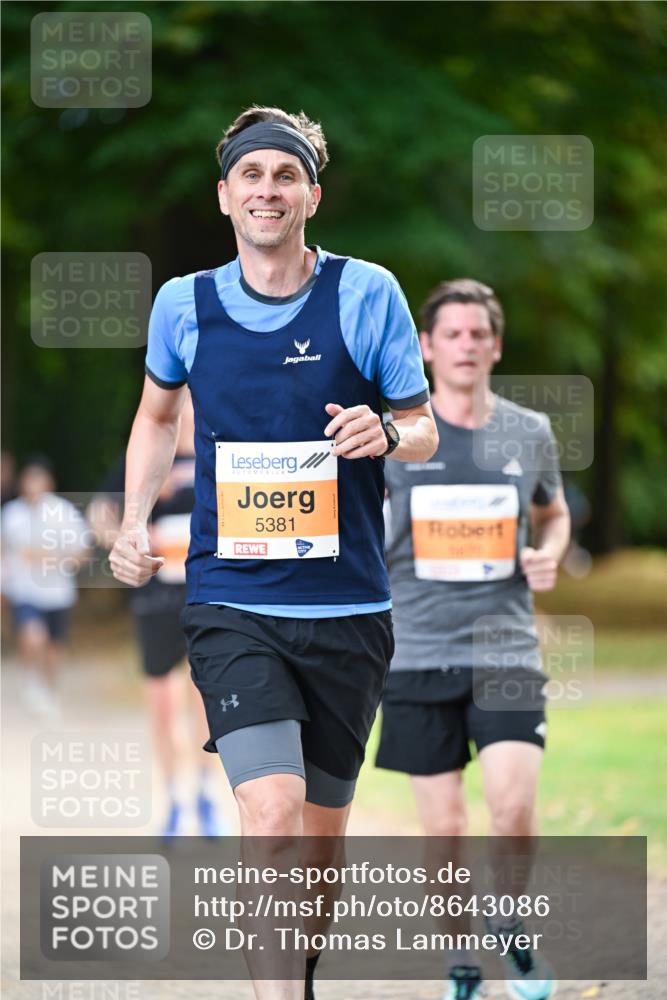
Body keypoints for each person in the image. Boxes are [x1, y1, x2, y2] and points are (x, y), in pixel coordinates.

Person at [109, 105, 438, 999]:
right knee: (272, 813)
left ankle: (299, 971)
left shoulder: (366, 293)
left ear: (311, 195)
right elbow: (154, 415)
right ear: (224, 196)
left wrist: (387, 428)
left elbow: (425, 430)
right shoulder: (186, 304)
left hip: (348, 609)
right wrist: (136, 519)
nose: (267, 190)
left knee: (320, 847)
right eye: (250, 176)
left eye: (284, 176)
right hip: (231, 603)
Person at [376, 279, 570, 1000]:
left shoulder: (527, 432)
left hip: (504, 647)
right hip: (416, 652)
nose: (464, 346)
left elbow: (551, 514)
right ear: (425, 347)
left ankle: (511, 922)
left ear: (495, 345)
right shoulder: (394, 440)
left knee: (512, 805)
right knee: (447, 827)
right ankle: (459, 960)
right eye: (450, 334)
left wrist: (548, 550)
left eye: (476, 334)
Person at [88, 394, 228, 838]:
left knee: (206, 704)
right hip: (156, 602)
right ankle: (172, 802)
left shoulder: (218, 448)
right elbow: (99, 514)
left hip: (208, 597)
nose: (186, 408)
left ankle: (206, 798)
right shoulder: (147, 455)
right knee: (163, 708)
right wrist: (126, 537)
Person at [2, 456, 88, 718]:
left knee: (54, 648)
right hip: (25, 591)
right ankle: (32, 682)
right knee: (33, 636)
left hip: (58, 592)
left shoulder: (64, 512)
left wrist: (51, 558)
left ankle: (49, 692)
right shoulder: (11, 514)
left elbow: (81, 552)